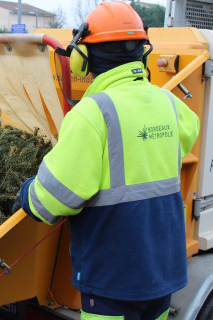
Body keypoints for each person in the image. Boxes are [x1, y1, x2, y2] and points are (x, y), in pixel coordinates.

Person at [15, 2, 200, 319]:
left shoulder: (92, 113)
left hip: (114, 277)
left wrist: (26, 192)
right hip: (163, 271)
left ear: (82, 58)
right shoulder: (169, 103)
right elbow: (187, 134)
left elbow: (53, 200)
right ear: (142, 54)